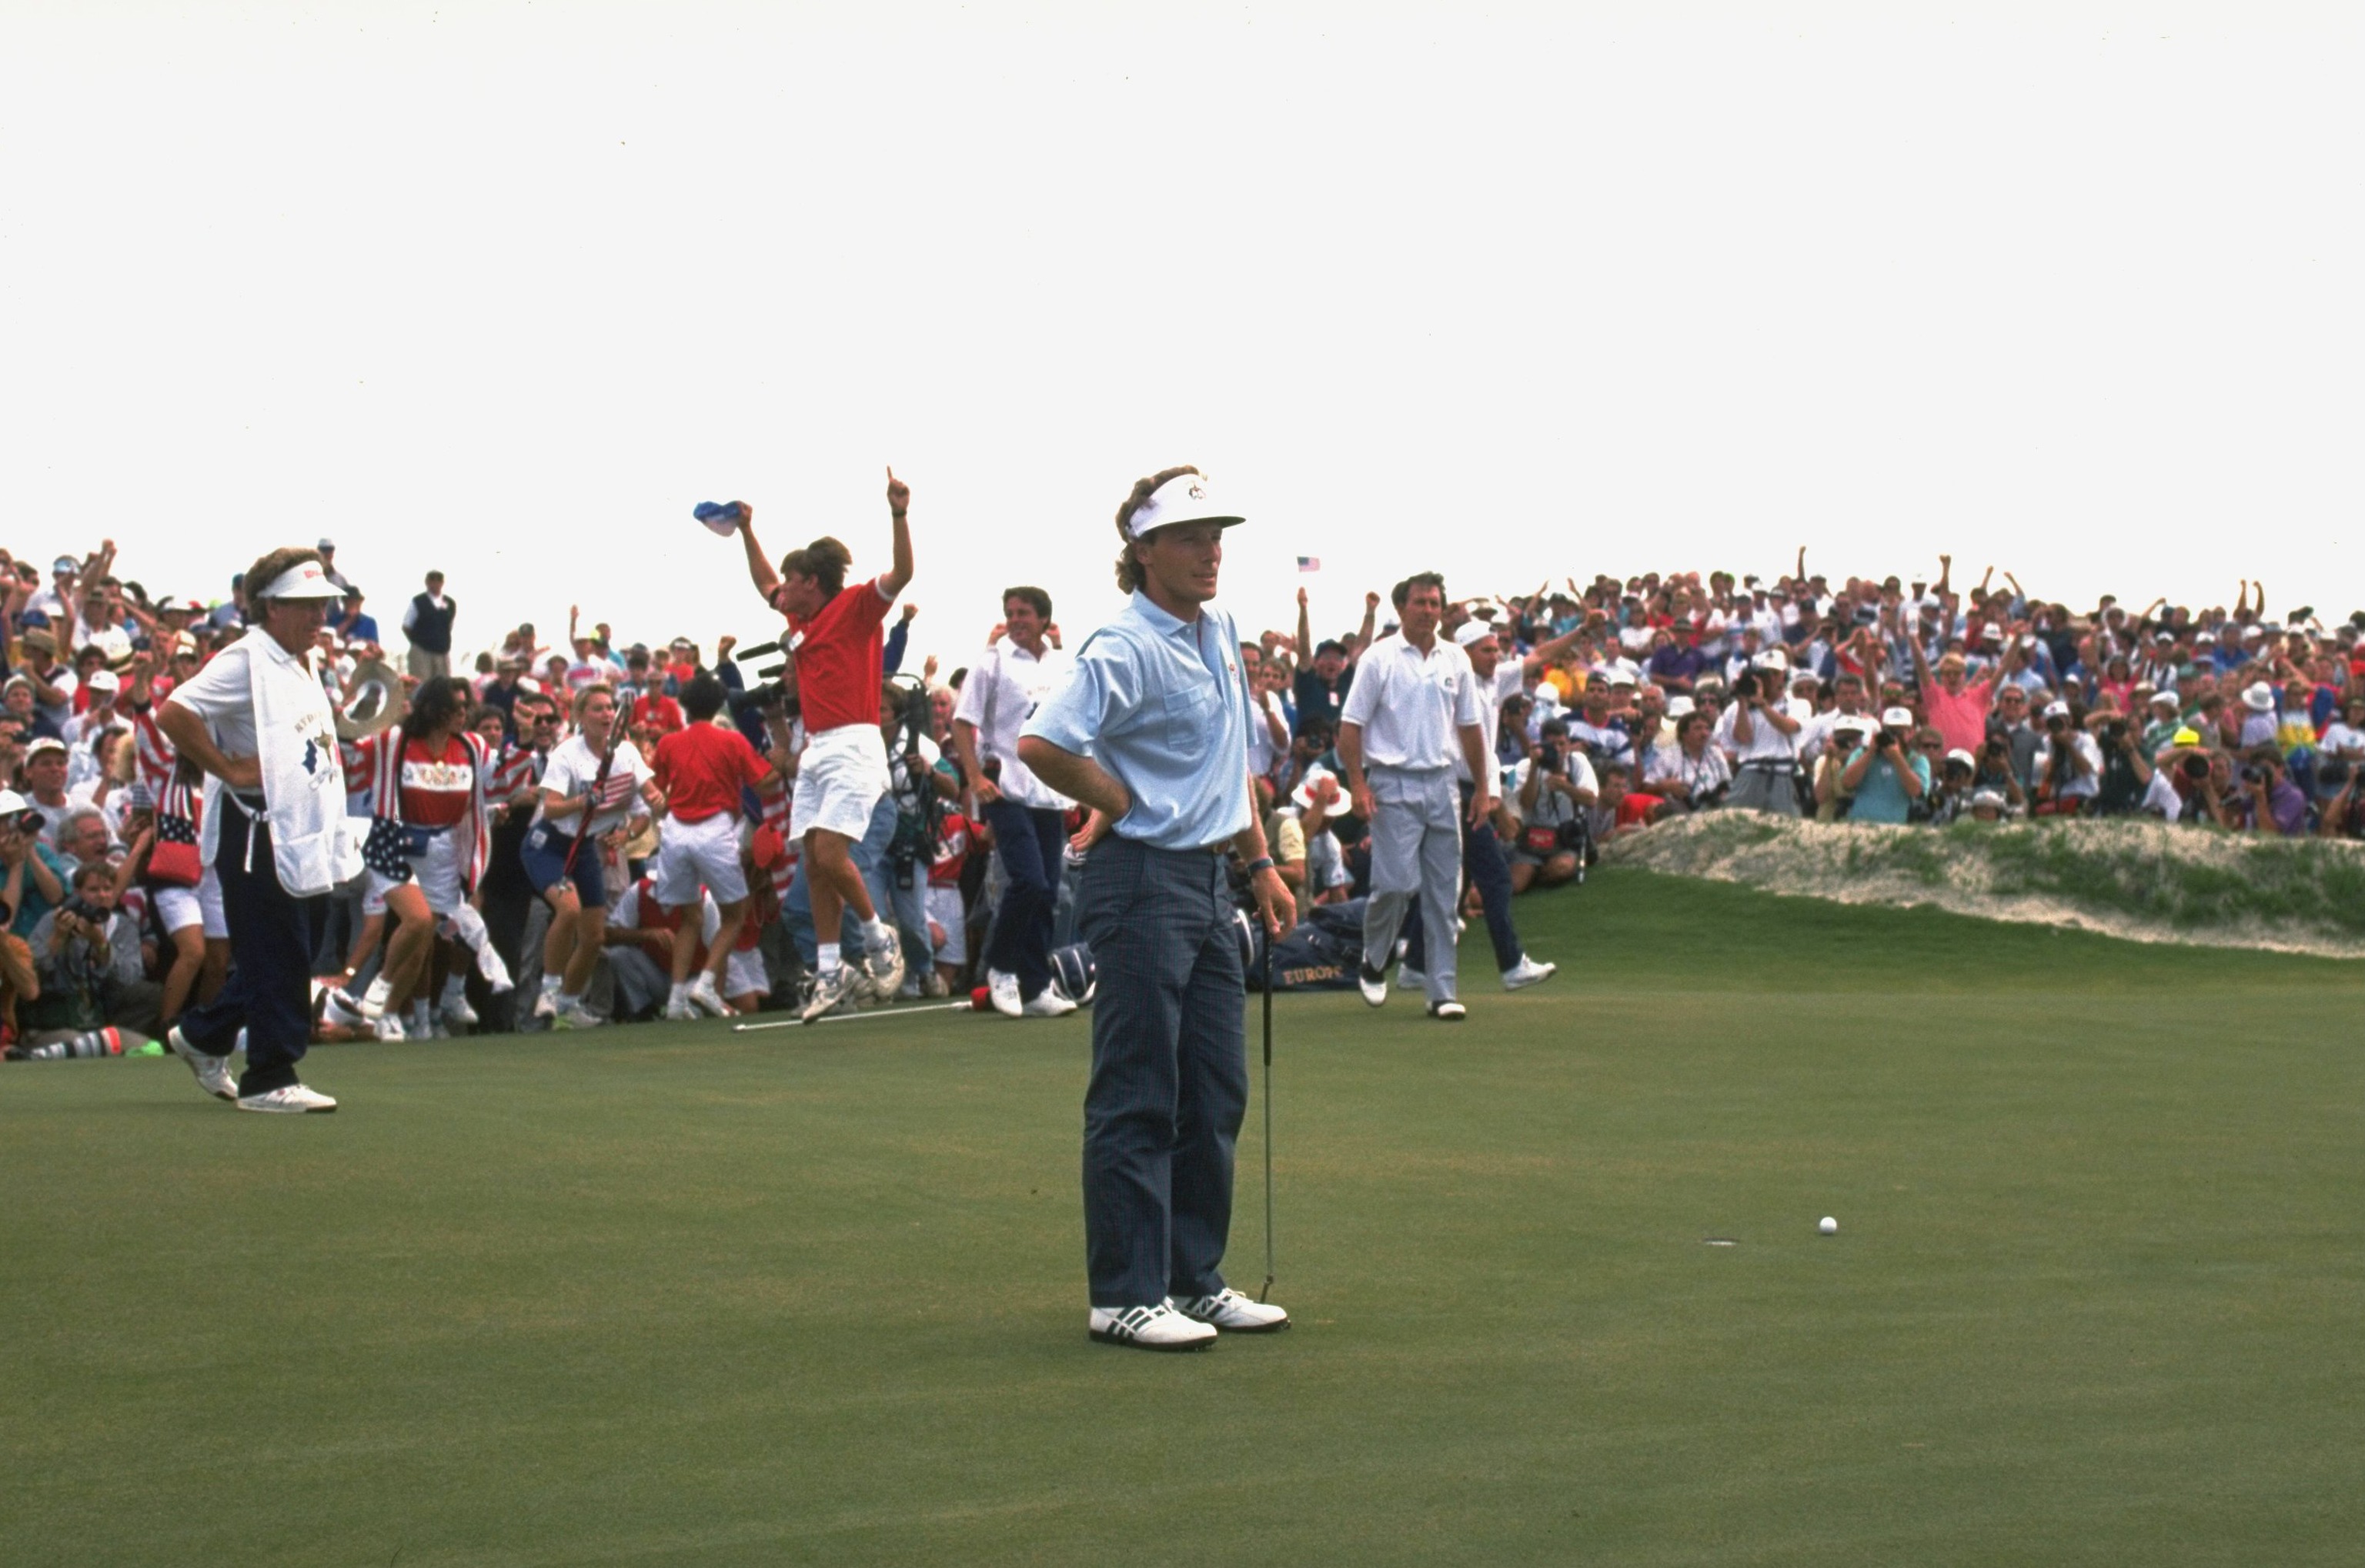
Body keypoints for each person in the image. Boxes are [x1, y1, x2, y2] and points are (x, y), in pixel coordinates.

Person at [1017, 464, 1295, 1353]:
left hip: (1211, 881)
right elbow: (1043, 743)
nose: (1211, 551)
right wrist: (1124, 801)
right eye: (1189, 536)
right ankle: (1124, 1293)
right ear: (1142, 551)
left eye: (1216, 535)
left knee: (1214, 1088)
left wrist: (1259, 862)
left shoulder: (1219, 631)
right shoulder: (1123, 643)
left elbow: (1227, 760)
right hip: (1139, 879)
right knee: (1140, 1088)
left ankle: (1190, 1277)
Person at [155, 546, 360, 1113]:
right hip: (254, 829)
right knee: (279, 950)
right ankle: (269, 1076)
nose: (319, 617)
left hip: (299, 828)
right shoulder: (244, 660)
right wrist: (226, 768)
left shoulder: (302, 660)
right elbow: (173, 712)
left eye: (323, 605)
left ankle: (202, 1036)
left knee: (293, 948)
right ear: (271, 608)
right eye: (306, 606)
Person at [733, 472, 915, 1019]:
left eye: (790, 583)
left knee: (833, 855)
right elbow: (763, 580)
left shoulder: (855, 607)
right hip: (815, 748)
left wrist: (899, 514)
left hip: (855, 746)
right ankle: (832, 971)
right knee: (814, 860)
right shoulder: (799, 616)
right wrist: (747, 530)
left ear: (811, 582)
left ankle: (880, 939)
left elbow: (902, 573)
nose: (780, 593)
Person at [1338, 572, 1492, 1020]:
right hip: (1391, 781)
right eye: (1420, 602)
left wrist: (1483, 788)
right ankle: (1374, 957)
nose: (1428, 610)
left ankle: (1442, 991)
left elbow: (1470, 728)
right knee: (1395, 885)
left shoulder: (1456, 659)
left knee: (1446, 894)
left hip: (1443, 782)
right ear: (1402, 607)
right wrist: (1358, 785)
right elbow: (1351, 727)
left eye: (1435, 603)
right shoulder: (1378, 658)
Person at [953, 585, 1078, 1017]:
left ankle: (1037, 986)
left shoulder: (1063, 663)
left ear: (1044, 618)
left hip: (1049, 790)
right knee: (1029, 881)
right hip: (1004, 786)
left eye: (1024, 613)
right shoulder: (992, 661)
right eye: (1010, 613)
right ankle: (1001, 968)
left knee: (1048, 893)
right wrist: (972, 777)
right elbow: (962, 721)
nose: (1015, 620)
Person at [648, 672, 790, 1019]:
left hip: (676, 830)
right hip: (714, 828)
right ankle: (707, 983)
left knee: (690, 918)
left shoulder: (668, 743)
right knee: (735, 914)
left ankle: (676, 1000)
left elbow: (656, 789)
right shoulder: (732, 741)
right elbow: (766, 785)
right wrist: (782, 756)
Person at [522, 685, 660, 1028]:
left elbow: (646, 804)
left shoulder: (627, 754)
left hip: (585, 846)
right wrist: (581, 802)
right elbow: (551, 809)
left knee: (595, 936)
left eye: (610, 708)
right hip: (548, 843)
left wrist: (633, 828)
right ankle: (550, 990)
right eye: (598, 708)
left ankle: (567, 1008)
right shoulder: (567, 754)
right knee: (568, 910)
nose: (607, 714)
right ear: (581, 716)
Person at [1438, 619, 1555, 992]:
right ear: (1466, 652)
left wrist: (1583, 630)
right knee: (1494, 878)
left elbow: (1539, 657)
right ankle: (1510, 965)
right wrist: (1489, 798)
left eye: (1496, 649)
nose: (1495, 655)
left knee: (1458, 877)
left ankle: (1413, 959)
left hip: (1474, 787)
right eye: (1487, 650)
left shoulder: (1496, 680)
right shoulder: (1450, 684)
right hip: (1455, 787)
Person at [402, 570, 456, 680]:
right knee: (421, 686)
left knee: (442, 688)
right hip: (422, 652)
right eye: (432, 580)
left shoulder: (450, 603)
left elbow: (449, 626)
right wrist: (418, 642)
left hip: (442, 652)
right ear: (427, 582)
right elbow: (406, 626)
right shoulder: (418, 601)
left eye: (438, 580)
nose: (435, 584)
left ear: (442, 583)